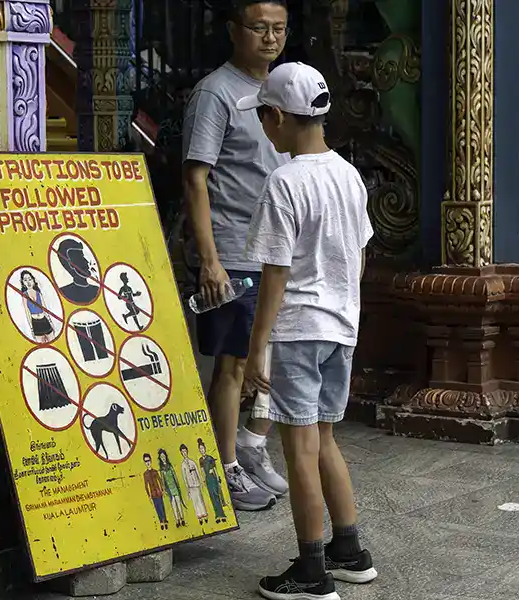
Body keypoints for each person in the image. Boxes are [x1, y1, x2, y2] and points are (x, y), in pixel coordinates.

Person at [238, 62, 378, 599]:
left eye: (263, 119)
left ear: (276, 116)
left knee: (297, 448)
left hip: (298, 328)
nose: (264, 129)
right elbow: (359, 258)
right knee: (323, 439)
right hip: (342, 326)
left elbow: (275, 276)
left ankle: (312, 572)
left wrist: (257, 351)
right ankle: (350, 552)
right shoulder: (348, 173)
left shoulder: (284, 181)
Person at [181, 0, 290, 511]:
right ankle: (221, 468)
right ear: (233, 30)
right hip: (233, 250)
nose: (270, 38)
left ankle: (249, 448)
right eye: (259, 28)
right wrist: (210, 259)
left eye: (279, 29)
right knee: (232, 364)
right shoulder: (215, 92)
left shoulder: (281, 89)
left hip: (276, 250)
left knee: (269, 357)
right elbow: (196, 177)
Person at [20, 269, 53, 343]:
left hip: (44, 321)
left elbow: (45, 309)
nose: (28, 282)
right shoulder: (24, 295)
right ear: (23, 282)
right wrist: (32, 328)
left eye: (29, 279)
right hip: (35, 324)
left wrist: (50, 322)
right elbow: (27, 312)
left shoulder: (38, 293)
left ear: (33, 280)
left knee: (53, 342)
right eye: (25, 280)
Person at [179, 443, 209, 525]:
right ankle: (199, 516)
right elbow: (184, 477)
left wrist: (201, 481)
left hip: (196, 483)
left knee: (200, 499)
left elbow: (198, 472)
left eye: (185, 451)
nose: (184, 453)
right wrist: (187, 488)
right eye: (183, 452)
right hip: (190, 485)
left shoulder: (192, 462)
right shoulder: (183, 465)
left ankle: (204, 515)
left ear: (187, 451)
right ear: (181, 453)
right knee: (195, 501)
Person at [143, 453, 169, 530]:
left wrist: (163, 490)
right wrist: (149, 495)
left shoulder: (155, 471)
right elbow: (146, 485)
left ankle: (165, 520)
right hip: (153, 494)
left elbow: (160, 480)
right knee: (157, 507)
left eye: (148, 460)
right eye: (145, 461)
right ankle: (161, 521)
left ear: (151, 461)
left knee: (162, 506)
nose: (147, 462)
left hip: (158, 492)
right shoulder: (145, 474)